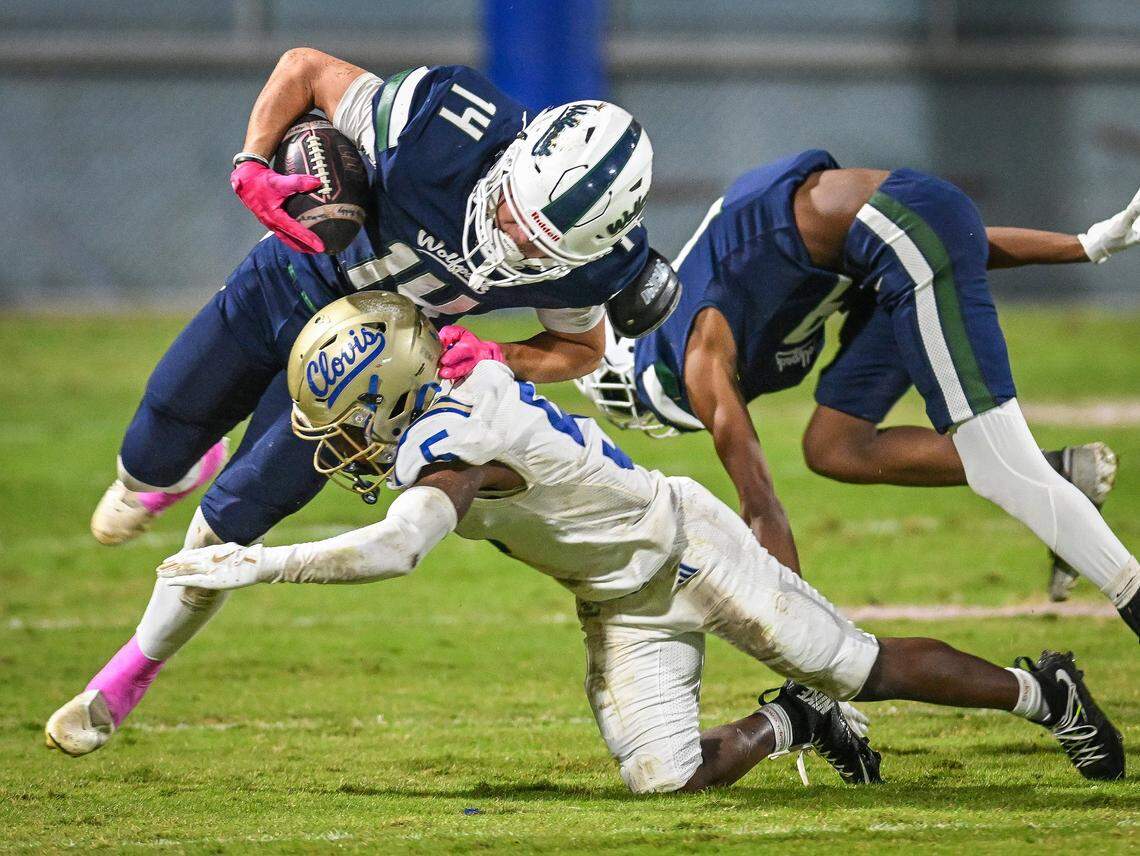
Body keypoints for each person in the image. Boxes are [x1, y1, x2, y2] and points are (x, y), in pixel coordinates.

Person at [78, 292, 1120, 791]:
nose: (332, 438)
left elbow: (400, 547)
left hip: (683, 547)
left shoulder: (453, 434)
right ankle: (793, 723)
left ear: (395, 394)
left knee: (867, 664)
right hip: (618, 594)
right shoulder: (439, 379)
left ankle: (1047, 692)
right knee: (663, 775)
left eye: (345, 414)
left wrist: (257, 562)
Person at [63, 50, 657, 752]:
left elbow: (582, 351)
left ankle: (129, 674)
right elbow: (304, 69)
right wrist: (253, 161)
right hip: (286, 280)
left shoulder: (602, 261)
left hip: (377, 366)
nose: (514, 239)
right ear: (516, 159)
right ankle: (174, 471)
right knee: (145, 459)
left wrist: (500, 355)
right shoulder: (445, 123)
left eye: (541, 245)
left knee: (229, 525)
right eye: (515, 214)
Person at [575, 151, 1140, 628]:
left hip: (903, 240)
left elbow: (761, 505)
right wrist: (1087, 244)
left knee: (1004, 469)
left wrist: (807, 644)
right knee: (834, 445)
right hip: (898, 249)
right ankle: (1061, 472)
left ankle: (1128, 590)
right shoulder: (708, 290)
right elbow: (931, 231)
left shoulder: (700, 348)